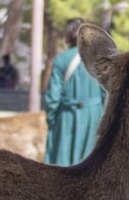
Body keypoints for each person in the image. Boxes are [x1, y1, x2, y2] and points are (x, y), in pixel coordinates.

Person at [43, 21, 106, 166]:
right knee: (93, 167)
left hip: (67, 117)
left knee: (63, 168)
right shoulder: (99, 60)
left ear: (68, 37)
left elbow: (53, 97)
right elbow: (107, 94)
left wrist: (53, 121)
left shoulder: (61, 60)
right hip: (94, 117)